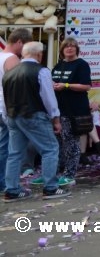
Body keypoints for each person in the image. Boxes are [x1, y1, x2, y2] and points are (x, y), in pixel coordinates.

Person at [2, 41, 70, 201]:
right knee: (50, 149)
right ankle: (51, 188)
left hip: (13, 115)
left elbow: (4, 99)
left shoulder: (9, 73)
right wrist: (55, 119)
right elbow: (49, 98)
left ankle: (12, 190)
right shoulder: (41, 71)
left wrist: (7, 116)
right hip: (33, 114)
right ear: (39, 55)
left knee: (14, 153)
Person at [51, 38, 91, 184]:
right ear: (62, 50)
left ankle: (69, 175)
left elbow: (86, 86)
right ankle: (53, 173)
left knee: (71, 143)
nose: (69, 48)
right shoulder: (58, 65)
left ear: (77, 49)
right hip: (58, 110)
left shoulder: (81, 65)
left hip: (74, 110)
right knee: (57, 143)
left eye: (73, 46)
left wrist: (66, 85)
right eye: (66, 46)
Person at [0, 29, 30, 193]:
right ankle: (9, 184)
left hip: (1, 106)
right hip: (8, 107)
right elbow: (16, 87)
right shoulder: (12, 59)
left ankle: (3, 182)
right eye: (25, 46)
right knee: (14, 149)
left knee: (3, 145)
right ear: (19, 42)